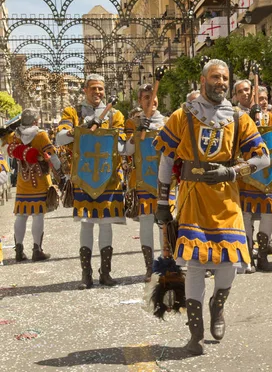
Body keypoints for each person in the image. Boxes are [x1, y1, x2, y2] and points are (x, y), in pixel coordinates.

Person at [153, 59, 269, 355]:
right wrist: (162, 202)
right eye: (216, 77)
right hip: (193, 197)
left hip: (227, 197)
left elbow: (262, 157)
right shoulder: (182, 115)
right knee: (195, 264)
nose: (221, 82)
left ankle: (217, 307)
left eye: (225, 78)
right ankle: (196, 333)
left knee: (228, 260)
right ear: (203, 81)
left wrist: (232, 172)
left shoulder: (240, 117)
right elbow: (167, 161)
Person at [56, 73, 127, 289]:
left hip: (109, 177)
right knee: (86, 224)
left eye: (101, 89)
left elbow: (122, 146)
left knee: (106, 225)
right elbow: (59, 137)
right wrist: (85, 127)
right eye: (93, 88)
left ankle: (105, 273)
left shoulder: (115, 115)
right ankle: (85, 275)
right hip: (84, 176)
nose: (98, 92)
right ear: (85, 90)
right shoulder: (73, 112)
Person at [1, 108, 64, 262]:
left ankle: (19, 250)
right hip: (40, 180)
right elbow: (53, 156)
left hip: (23, 181)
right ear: (36, 121)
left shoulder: (15, 135)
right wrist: (61, 173)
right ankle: (37, 249)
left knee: (21, 215)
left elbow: (4, 141)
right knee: (38, 215)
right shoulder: (41, 135)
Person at [233, 80, 272, 273]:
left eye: (247, 89)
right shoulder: (233, 115)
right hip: (244, 170)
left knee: (268, 212)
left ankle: (262, 254)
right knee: (245, 214)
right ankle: (247, 255)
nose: (245, 93)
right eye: (240, 91)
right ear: (235, 96)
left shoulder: (270, 115)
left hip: (267, 172)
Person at [123, 80, 167, 281]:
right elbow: (127, 150)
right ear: (140, 101)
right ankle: (149, 267)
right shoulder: (133, 123)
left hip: (165, 179)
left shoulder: (168, 121)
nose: (152, 100)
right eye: (146, 97)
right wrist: (139, 130)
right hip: (142, 179)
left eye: (154, 96)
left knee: (164, 223)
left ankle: (165, 264)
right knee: (147, 222)